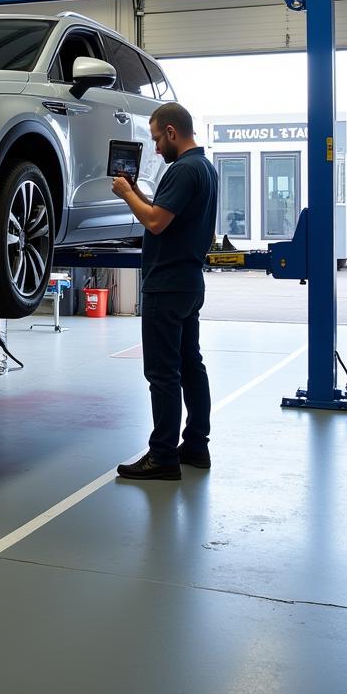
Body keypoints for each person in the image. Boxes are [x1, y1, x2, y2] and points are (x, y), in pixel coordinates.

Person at [111, 102, 218, 481]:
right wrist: (139, 191)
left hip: (166, 285)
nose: (155, 147)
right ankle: (196, 447)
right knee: (191, 365)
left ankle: (162, 457)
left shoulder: (183, 169)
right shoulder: (205, 168)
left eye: (157, 138)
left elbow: (156, 222)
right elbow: (168, 215)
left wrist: (126, 194)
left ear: (172, 132)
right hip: (189, 281)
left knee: (163, 374)